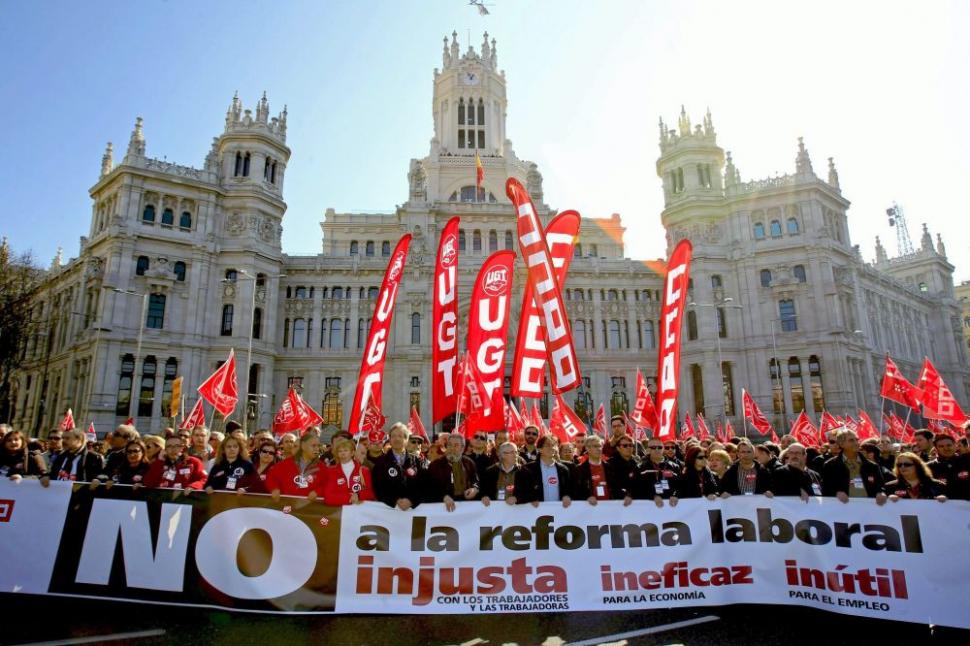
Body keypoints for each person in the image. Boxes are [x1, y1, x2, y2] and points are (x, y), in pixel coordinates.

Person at [821, 429, 887, 503]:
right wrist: (836, 493)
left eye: (857, 439)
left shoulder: (872, 466)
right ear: (841, 444)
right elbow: (826, 490)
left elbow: (881, 487)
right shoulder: (830, 466)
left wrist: (881, 493)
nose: (856, 443)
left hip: (869, 508)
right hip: (842, 508)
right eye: (851, 440)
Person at [371, 422, 425, 510]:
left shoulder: (417, 461)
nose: (396, 439)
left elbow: (423, 485)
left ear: (406, 439)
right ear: (389, 439)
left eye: (400, 436)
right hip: (389, 510)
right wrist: (395, 501)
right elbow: (378, 487)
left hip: (413, 510)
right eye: (393, 436)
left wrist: (411, 501)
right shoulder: (381, 462)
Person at [425, 433, 479, 511]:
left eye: (456, 445)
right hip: (442, 508)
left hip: (465, 507)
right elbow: (429, 487)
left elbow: (476, 481)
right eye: (449, 445)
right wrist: (444, 496)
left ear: (462, 448)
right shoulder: (435, 465)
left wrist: (475, 489)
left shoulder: (469, 463)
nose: (452, 448)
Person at [265, 432, 326, 499]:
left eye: (318, 446)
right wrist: (274, 488)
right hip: (287, 504)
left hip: (311, 505)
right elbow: (271, 476)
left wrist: (317, 492)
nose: (317, 449)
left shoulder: (321, 467)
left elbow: (328, 483)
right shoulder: (285, 464)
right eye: (313, 446)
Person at [514, 435, 572, 507]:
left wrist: (567, 497)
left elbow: (568, 491)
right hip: (536, 511)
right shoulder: (527, 470)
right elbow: (520, 493)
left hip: (558, 511)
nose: (552, 448)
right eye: (548, 445)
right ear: (539, 449)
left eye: (554, 445)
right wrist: (531, 499)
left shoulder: (564, 470)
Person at [321, 437, 375, 505]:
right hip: (339, 509)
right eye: (340, 451)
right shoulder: (331, 471)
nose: (343, 453)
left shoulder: (364, 471)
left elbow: (371, 493)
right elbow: (328, 497)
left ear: (352, 453)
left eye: (345, 450)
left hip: (360, 509)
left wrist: (358, 495)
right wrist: (349, 498)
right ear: (337, 454)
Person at [480, 441, 521, 505]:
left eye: (516, 452)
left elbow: (529, 493)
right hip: (495, 509)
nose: (516, 455)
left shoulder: (523, 472)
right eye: (512, 452)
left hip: (515, 509)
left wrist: (517, 498)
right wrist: (485, 497)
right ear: (503, 455)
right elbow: (483, 491)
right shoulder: (490, 472)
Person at [606, 434, 639, 504]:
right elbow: (612, 486)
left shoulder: (637, 463)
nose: (628, 447)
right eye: (625, 446)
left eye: (631, 445)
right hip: (618, 502)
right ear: (618, 448)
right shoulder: (610, 464)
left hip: (636, 501)